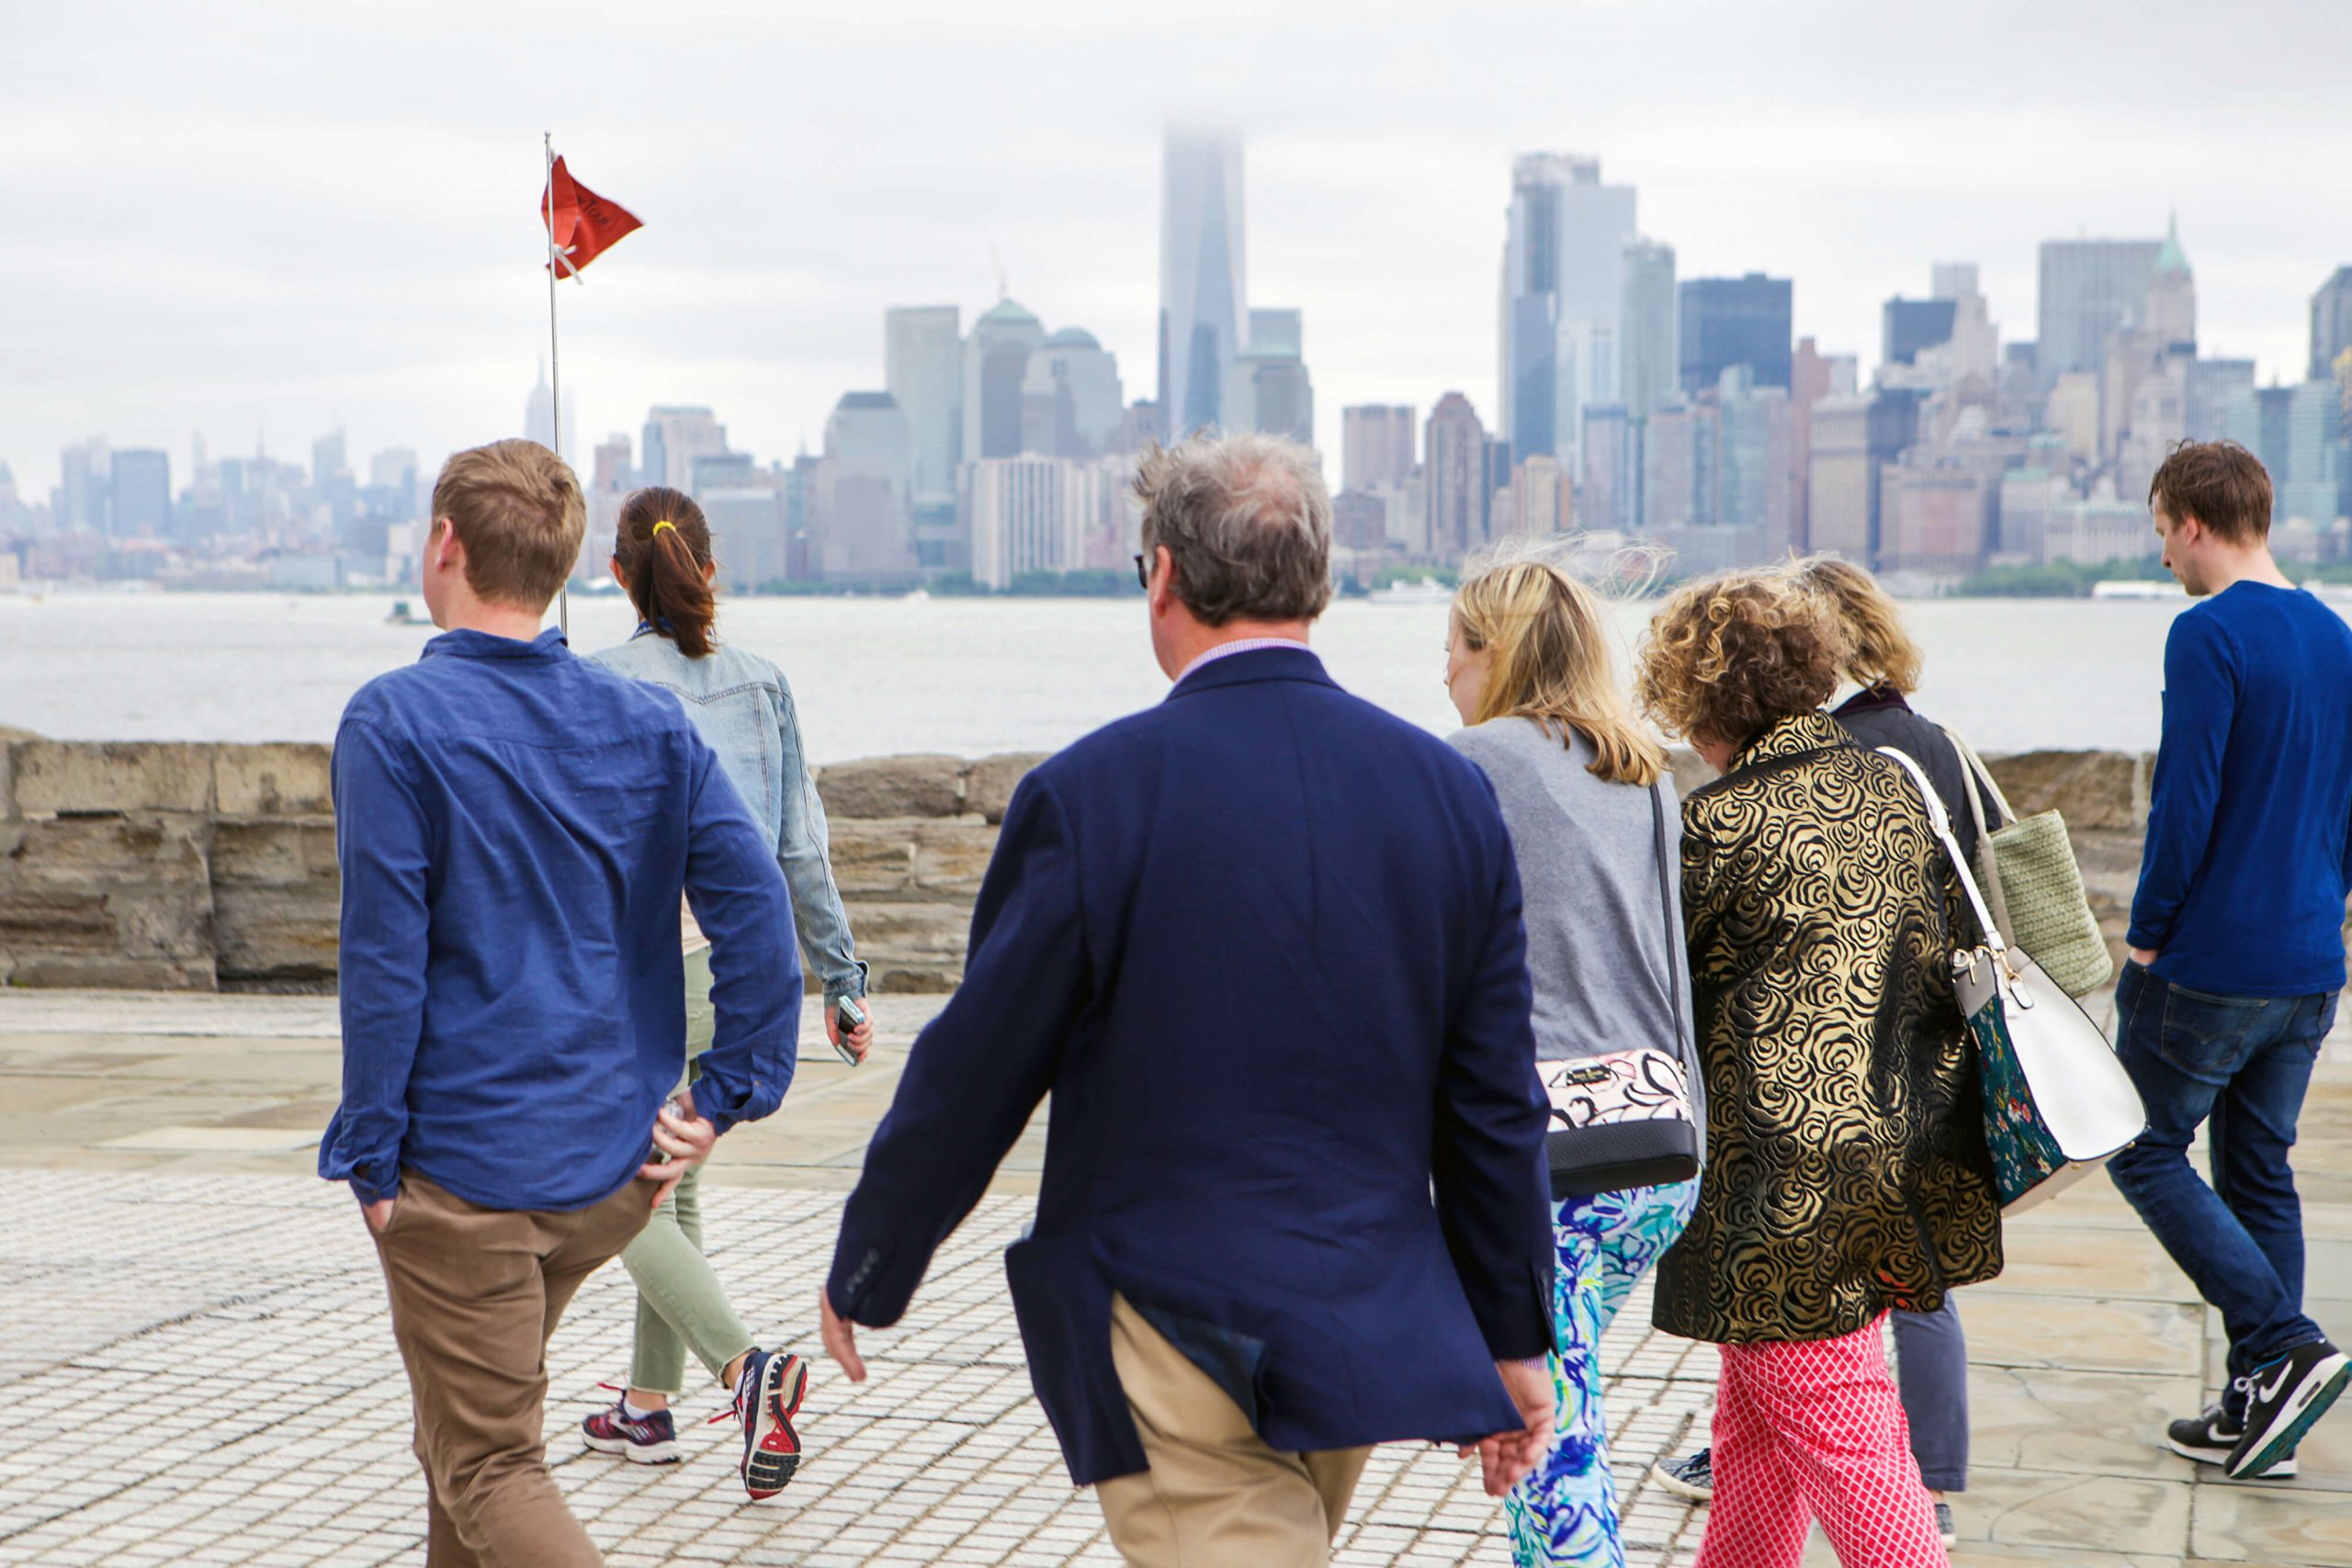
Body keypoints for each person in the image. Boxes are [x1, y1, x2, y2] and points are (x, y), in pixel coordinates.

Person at [818, 433, 1559, 1568]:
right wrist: (1514, 1335)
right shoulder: (1447, 796)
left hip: (1166, 1323)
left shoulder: (1092, 795)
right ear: (1318, 579)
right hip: (1358, 1318)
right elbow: (1491, 1103)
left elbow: (979, 1066)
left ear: (1162, 575)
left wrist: (876, 1257)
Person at [319, 439, 802, 1567]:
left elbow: (382, 965)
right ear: (564, 568)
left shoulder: (393, 722)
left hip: (468, 1175)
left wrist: (372, 1162)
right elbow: (759, 914)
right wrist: (722, 1096)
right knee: (467, 1447)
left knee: (490, 1464)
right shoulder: (649, 726)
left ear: (444, 545)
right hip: (607, 1168)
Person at [1635, 570, 2002, 1568]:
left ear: (1704, 700)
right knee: (1755, 1446)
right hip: (1894, 1154)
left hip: (1777, 1197)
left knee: (1857, 1453)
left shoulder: (1713, 829)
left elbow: (1662, 999)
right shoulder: (1890, 790)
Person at [577, 487, 875, 1499]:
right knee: (674, 1181)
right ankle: (647, 1412)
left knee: (613, 1191)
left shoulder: (595, 682)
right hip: (743, 976)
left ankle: (747, 1373)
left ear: (617, 576)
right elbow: (800, 849)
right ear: (711, 569)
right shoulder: (761, 684)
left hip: (645, 981)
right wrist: (842, 980)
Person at [1442, 552, 1702, 1568]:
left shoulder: (1470, 765)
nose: (1446, 678)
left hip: (1546, 1164)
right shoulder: (1638, 769)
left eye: (1453, 652)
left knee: (1554, 1445)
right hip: (1657, 1145)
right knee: (1562, 1395)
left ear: (1493, 654)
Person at [2107, 440, 2352, 1481]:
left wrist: (2147, 931)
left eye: (2160, 528)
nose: (2161, 551)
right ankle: (2266, 1407)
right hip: (2307, 957)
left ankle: (2284, 1343)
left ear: (2194, 522)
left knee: (2139, 1146)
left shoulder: (2203, 634)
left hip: (2209, 958)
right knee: (2258, 1170)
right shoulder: (2337, 637)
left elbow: (2185, 802)